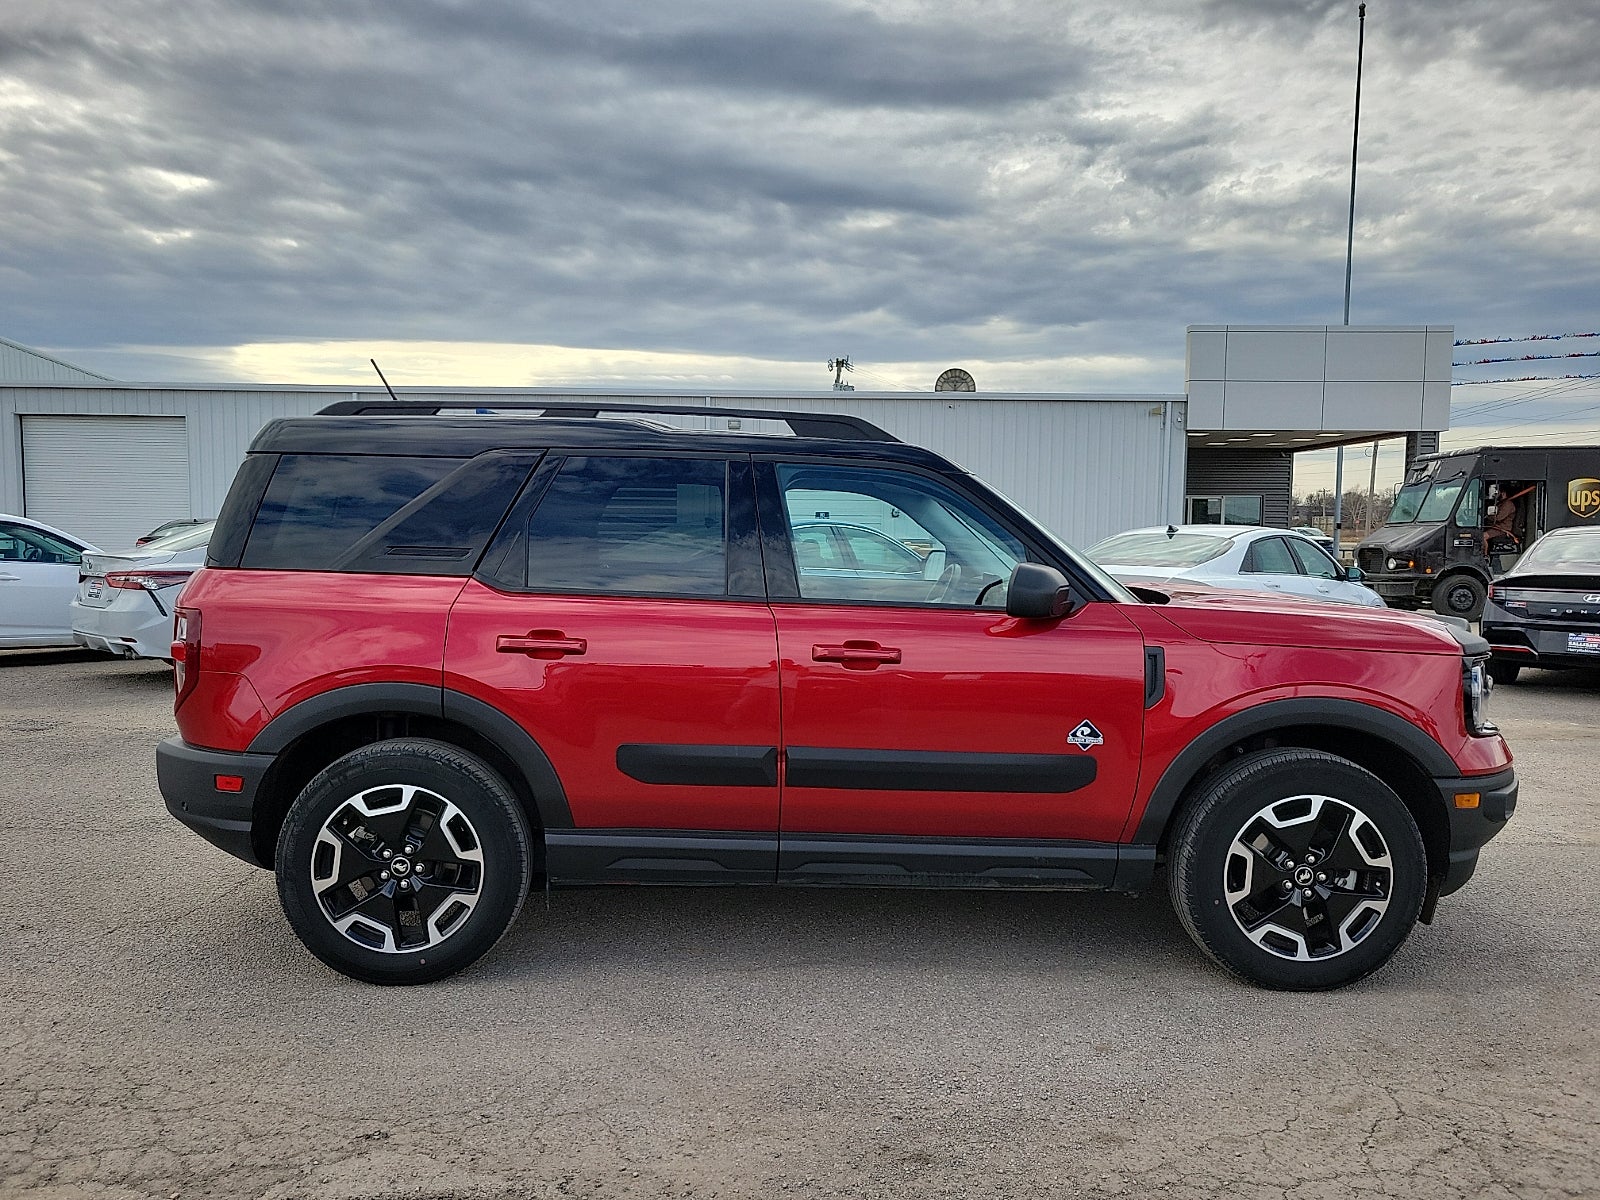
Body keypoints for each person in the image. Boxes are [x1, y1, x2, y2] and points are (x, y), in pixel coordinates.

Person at [1483, 482, 1534, 554]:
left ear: (1503, 493)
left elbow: (1499, 517)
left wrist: (1488, 516)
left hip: (1502, 529)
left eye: (1498, 493)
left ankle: (1485, 556)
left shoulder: (1508, 504)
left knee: (1482, 536)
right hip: (1495, 527)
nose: (1495, 496)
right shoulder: (1501, 503)